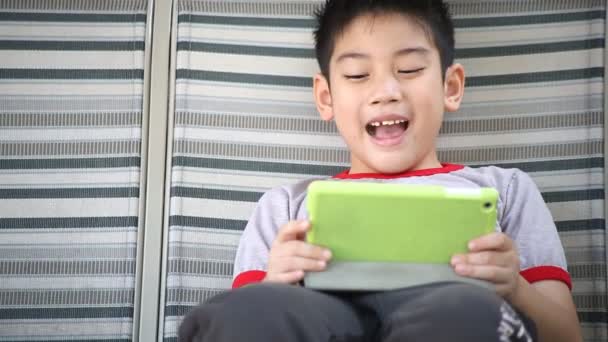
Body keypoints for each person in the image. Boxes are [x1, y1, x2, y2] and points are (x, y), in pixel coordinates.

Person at [178, 1, 582, 341]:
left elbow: (567, 334)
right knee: (248, 311)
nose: (386, 91)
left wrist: (514, 287)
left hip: (454, 317)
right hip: (314, 318)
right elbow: (249, 314)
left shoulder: (505, 188)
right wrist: (276, 280)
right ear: (326, 96)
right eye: (357, 75)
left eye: (408, 70)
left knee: (466, 309)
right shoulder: (285, 205)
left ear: (451, 87)